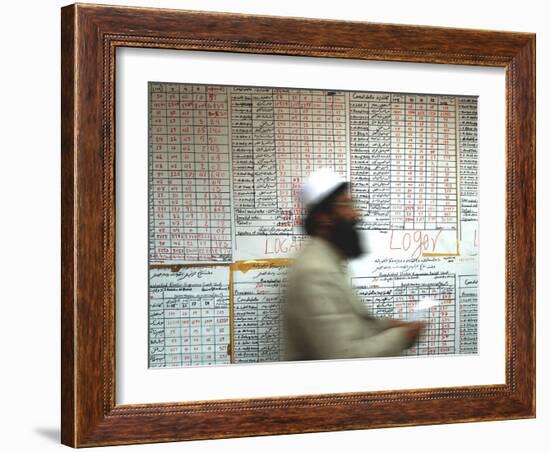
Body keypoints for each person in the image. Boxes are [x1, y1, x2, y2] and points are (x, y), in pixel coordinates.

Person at [283, 168, 424, 361]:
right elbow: (342, 356)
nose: (357, 214)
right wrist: (402, 337)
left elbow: (346, 324)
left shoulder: (328, 260)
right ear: (323, 218)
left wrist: (385, 326)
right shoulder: (315, 272)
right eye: (346, 204)